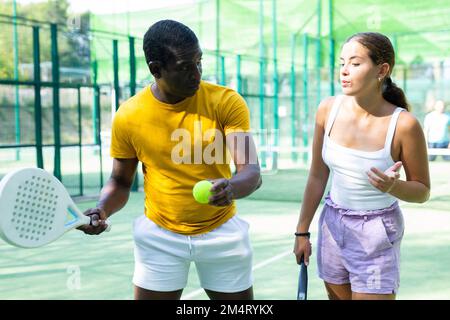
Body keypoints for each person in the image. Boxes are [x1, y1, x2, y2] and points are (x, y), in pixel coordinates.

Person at [77, 20, 262, 300]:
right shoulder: (129, 116)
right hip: (159, 236)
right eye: (185, 67)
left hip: (222, 231)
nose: (196, 74)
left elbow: (251, 172)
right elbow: (120, 181)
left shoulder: (226, 102)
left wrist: (231, 188)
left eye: (199, 62)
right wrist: (103, 209)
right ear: (156, 69)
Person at [293, 32, 430, 300]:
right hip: (332, 226)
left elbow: (422, 191)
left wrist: (394, 187)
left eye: (355, 64)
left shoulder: (404, 125)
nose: (344, 71)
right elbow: (317, 175)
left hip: (377, 233)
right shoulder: (327, 110)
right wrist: (302, 231)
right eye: (342, 63)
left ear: (382, 70)